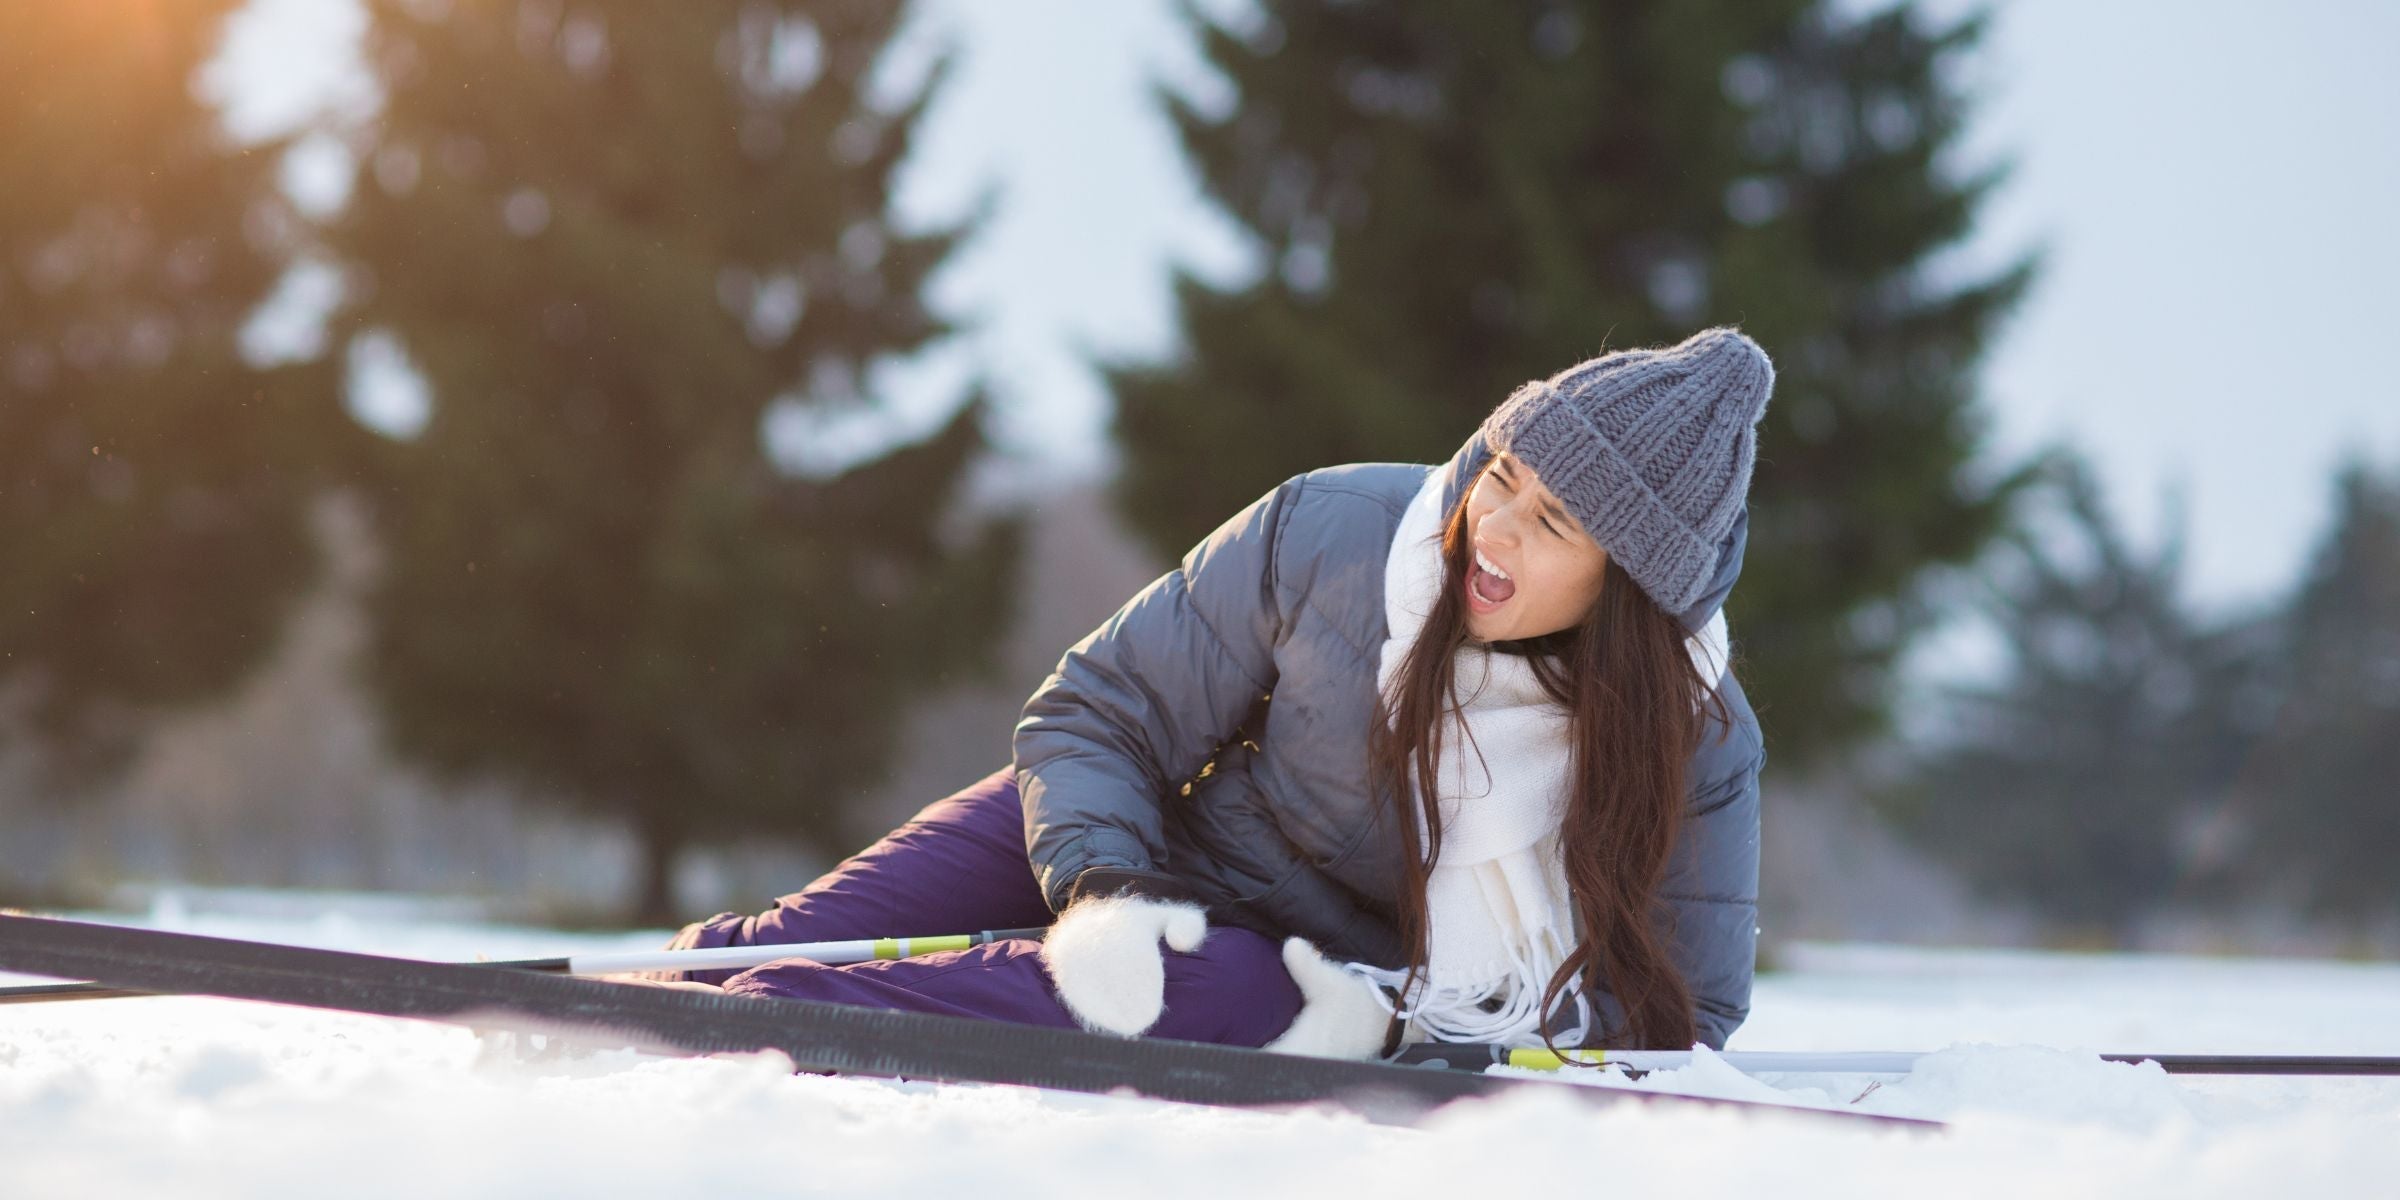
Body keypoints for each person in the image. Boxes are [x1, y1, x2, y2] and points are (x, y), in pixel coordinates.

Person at [647, 325, 1774, 1063]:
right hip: (1142, 837)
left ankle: (722, 1033)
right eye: (1503, 476)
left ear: (1630, 589)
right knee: (810, 933)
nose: (1496, 527)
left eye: (1554, 524)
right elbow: (1101, 709)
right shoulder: (1343, 536)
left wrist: (1394, 1034)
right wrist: (1106, 886)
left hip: (1306, 975)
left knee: (1147, 995)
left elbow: (1686, 1014)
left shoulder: (1698, 741)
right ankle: (643, 996)